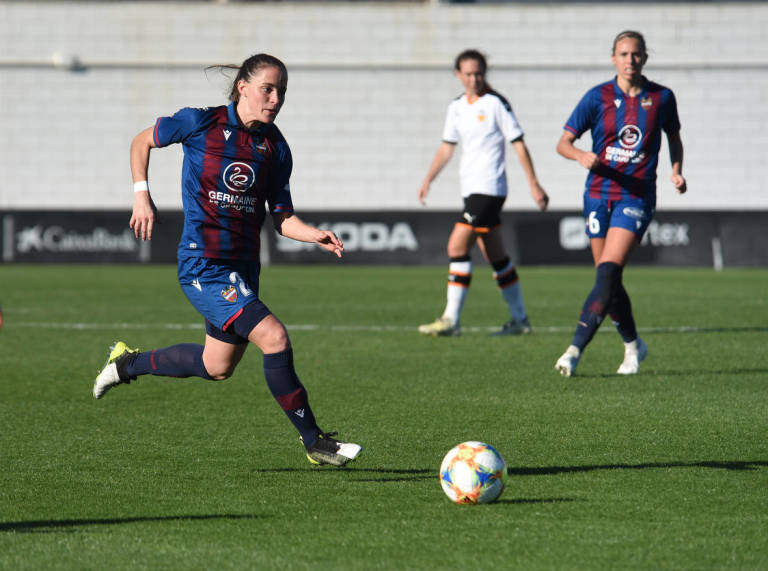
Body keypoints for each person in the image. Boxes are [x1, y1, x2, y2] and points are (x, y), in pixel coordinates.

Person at [92, 54, 362, 466]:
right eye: (268, 88)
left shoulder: (275, 147)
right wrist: (141, 193)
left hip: (242, 270)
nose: (275, 99)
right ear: (243, 87)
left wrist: (315, 235)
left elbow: (283, 219)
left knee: (216, 365)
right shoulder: (201, 122)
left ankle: (127, 364)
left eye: (282, 91)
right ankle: (315, 442)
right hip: (204, 266)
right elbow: (141, 141)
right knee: (274, 337)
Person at [554, 31, 687, 376]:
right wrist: (580, 155)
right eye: (624, 54)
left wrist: (676, 171)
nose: (630, 60)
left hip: (636, 196)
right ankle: (633, 346)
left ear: (645, 58)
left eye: (636, 54)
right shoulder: (597, 97)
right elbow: (563, 143)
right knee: (608, 280)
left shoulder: (661, 98)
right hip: (597, 195)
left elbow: (674, 138)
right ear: (613, 57)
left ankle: (573, 350)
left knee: (609, 272)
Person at [417, 49, 549, 337]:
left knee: (456, 247)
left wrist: (534, 183)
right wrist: (429, 179)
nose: (474, 79)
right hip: (471, 189)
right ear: (458, 75)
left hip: (490, 189)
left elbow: (518, 143)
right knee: (496, 256)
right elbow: (446, 147)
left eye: (479, 73)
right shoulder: (456, 107)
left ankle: (451, 320)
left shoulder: (496, 103)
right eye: (468, 74)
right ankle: (520, 320)